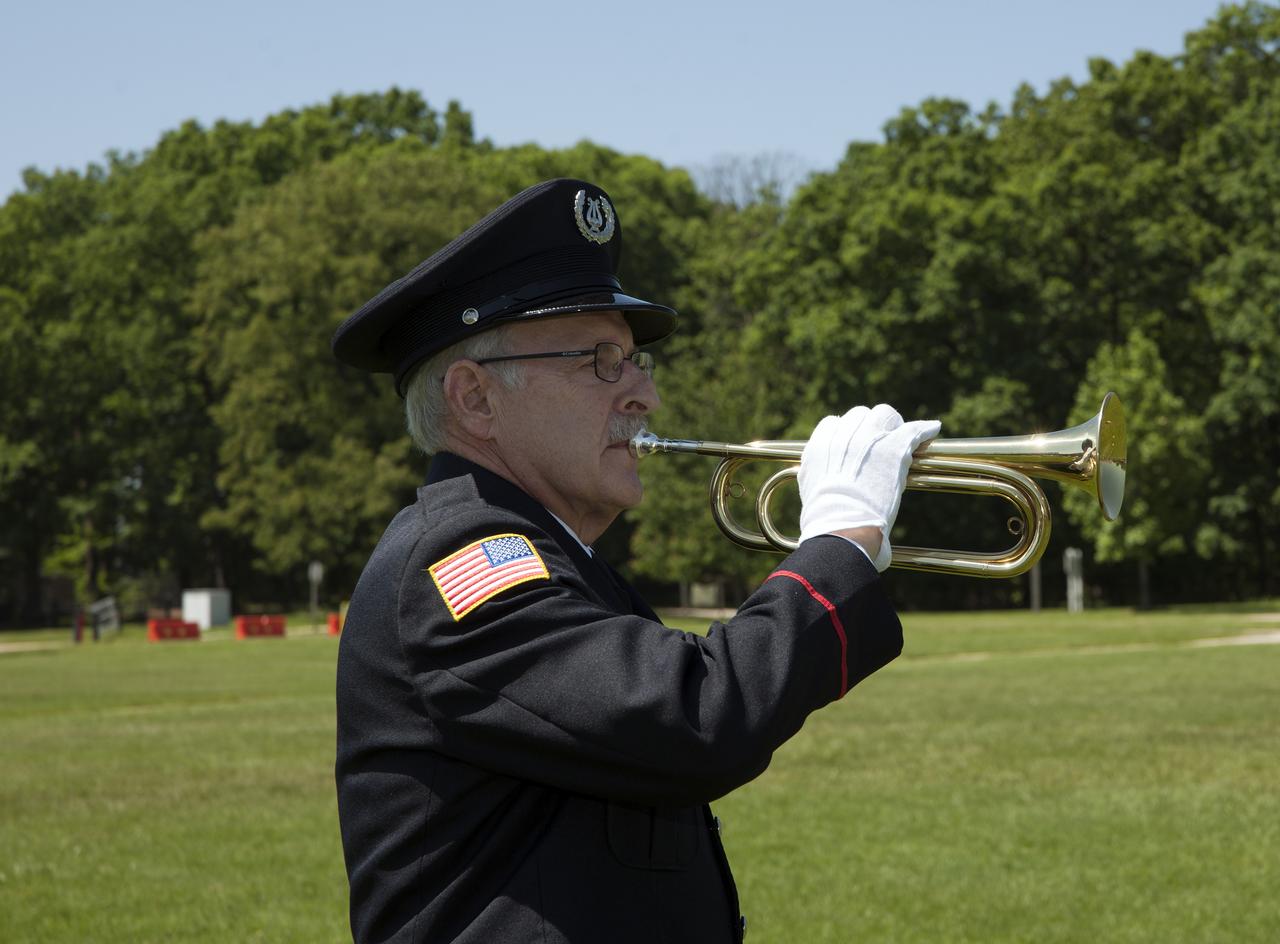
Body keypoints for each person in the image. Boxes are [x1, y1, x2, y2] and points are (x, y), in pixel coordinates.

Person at [331, 178, 939, 944]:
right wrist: (839, 544)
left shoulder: (561, 559)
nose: (642, 395)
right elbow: (693, 718)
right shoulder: (460, 559)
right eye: (600, 360)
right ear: (476, 398)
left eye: (637, 361)